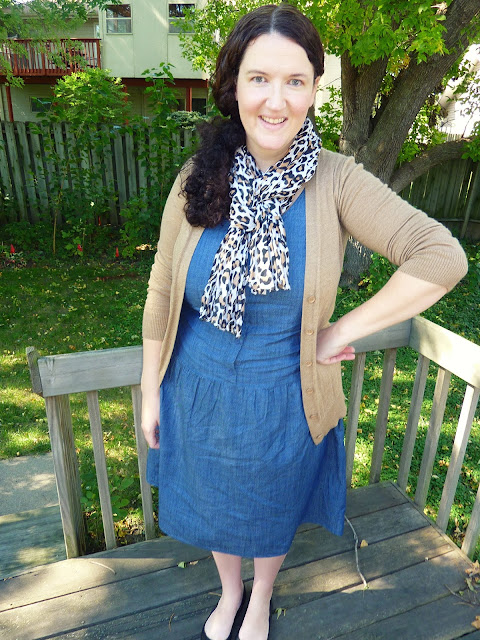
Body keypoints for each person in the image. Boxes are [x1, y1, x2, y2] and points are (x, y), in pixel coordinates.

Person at [141, 4, 468, 640]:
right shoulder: (198, 175)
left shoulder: (336, 180)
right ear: (233, 85)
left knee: (270, 510)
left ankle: (261, 595)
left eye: (295, 81)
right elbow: (161, 290)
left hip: (285, 397)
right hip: (198, 388)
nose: (276, 100)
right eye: (259, 78)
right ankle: (229, 592)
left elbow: (441, 256)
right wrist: (151, 387)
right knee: (216, 506)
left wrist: (340, 332)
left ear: (315, 89)